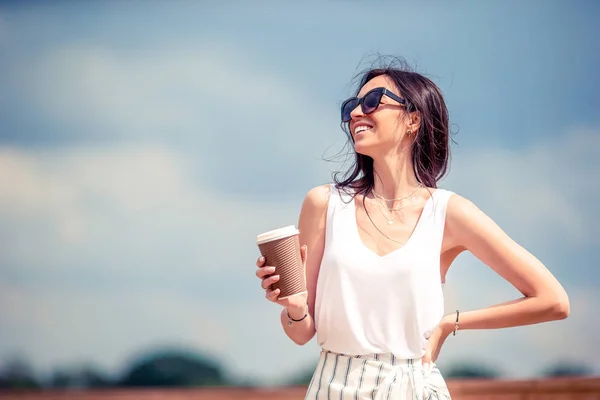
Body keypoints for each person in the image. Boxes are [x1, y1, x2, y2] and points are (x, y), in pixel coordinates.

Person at [254, 60, 570, 399]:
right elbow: (301, 333)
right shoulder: (324, 204)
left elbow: (552, 300)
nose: (356, 113)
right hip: (335, 386)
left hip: (415, 387)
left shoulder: (449, 212)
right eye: (351, 106)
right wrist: (295, 308)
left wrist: (452, 322)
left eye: (373, 100)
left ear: (413, 119)